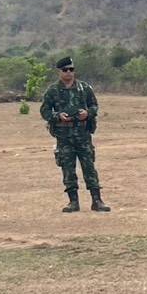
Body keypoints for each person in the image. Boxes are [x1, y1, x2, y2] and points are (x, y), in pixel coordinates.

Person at [39, 57, 110, 212]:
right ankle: (73, 202)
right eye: (65, 70)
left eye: (71, 69)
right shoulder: (52, 91)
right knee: (68, 169)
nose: (69, 73)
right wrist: (57, 116)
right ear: (59, 72)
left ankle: (97, 201)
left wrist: (88, 113)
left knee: (89, 167)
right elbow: (44, 111)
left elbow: (94, 105)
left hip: (83, 134)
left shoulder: (84, 88)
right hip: (64, 136)